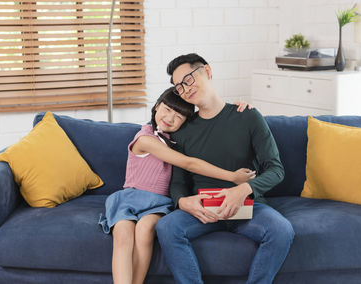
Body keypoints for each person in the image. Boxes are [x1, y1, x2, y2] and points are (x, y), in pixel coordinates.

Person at [155, 53, 295, 284]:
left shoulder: (247, 116)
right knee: (167, 227)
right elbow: (178, 180)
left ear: (207, 72)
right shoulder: (182, 131)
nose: (185, 89)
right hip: (204, 209)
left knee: (282, 230)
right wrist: (182, 201)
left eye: (188, 79)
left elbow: (275, 169)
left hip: (248, 206)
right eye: (179, 87)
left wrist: (244, 189)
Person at [98, 87, 255, 284]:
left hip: (157, 203)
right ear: (156, 107)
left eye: (179, 116)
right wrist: (232, 176)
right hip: (129, 199)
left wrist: (237, 107)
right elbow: (189, 163)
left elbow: (210, 115)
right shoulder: (145, 139)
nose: (170, 118)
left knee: (146, 229)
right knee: (123, 234)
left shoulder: (176, 140)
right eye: (167, 109)